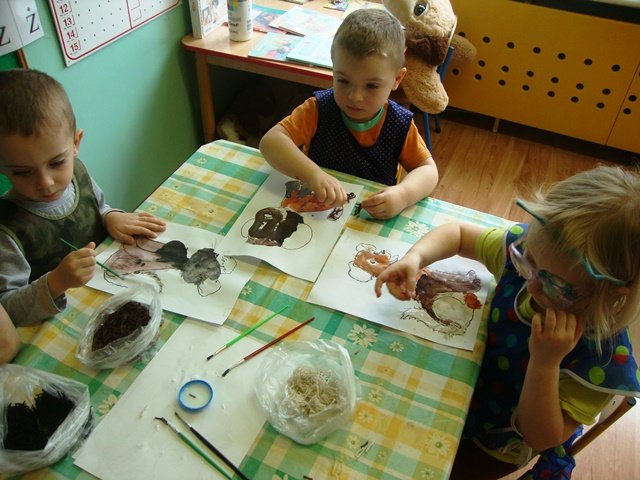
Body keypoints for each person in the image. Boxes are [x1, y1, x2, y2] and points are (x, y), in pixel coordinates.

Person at [374, 165, 640, 478]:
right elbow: (457, 234)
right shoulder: (541, 255)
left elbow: (540, 437)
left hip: (492, 444)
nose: (532, 285)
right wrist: (415, 257)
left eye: (555, 285)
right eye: (528, 261)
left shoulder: (602, 360)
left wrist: (545, 363)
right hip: (464, 379)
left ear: (610, 295)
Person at [0, 69, 166, 326]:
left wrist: (110, 216)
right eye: (22, 172)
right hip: (63, 326)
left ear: (75, 143)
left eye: (57, 162)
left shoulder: (77, 173)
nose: (45, 182)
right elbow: (7, 312)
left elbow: (98, 207)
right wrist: (56, 282)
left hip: (116, 296)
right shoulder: (6, 228)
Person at [259, 9, 438, 220]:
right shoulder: (318, 109)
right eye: (343, 81)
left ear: (397, 79)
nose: (355, 97)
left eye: (371, 86)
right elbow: (270, 142)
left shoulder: (399, 123)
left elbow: (428, 171)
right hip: (316, 214)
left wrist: (403, 195)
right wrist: (312, 174)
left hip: (369, 218)